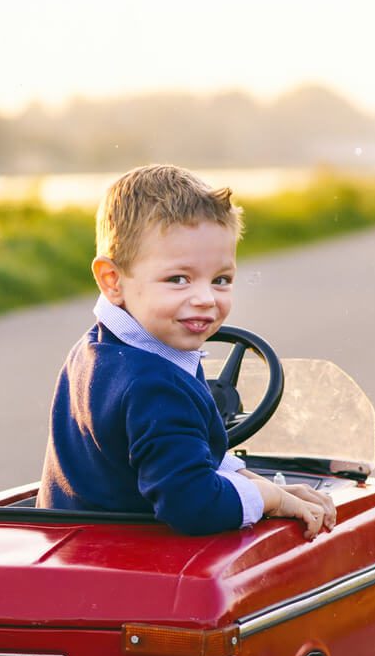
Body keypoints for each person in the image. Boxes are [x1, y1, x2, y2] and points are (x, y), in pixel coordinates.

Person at [38, 164, 335, 539]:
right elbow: (193, 505)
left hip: (74, 545)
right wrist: (271, 500)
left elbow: (188, 456)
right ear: (112, 281)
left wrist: (259, 483)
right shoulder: (154, 384)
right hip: (131, 563)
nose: (205, 299)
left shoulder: (101, 349)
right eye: (178, 279)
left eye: (221, 280)